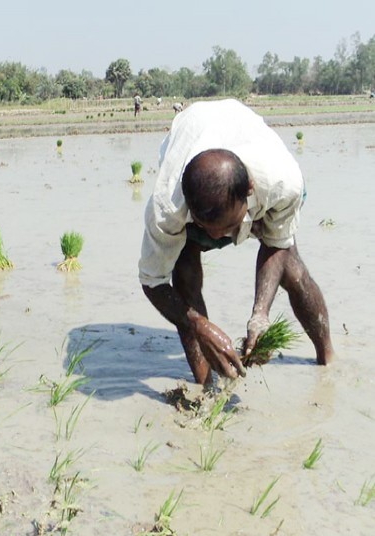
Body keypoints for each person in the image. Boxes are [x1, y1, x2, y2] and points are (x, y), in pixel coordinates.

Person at [139, 99, 333, 386]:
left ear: (250, 191)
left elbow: (276, 244)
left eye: (228, 227)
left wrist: (260, 314)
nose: (218, 239)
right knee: (185, 270)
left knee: (290, 266)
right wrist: (198, 324)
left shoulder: (282, 181)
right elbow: (152, 282)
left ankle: (327, 361)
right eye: (209, 230)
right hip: (195, 145)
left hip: (257, 174)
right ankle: (206, 386)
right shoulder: (168, 208)